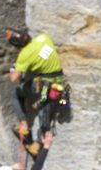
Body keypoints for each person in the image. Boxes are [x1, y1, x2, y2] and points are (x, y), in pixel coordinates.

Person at [6, 28, 69, 157]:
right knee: (46, 110)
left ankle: (24, 126)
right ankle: (38, 142)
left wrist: (13, 68)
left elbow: (14, 79)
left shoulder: (25, 55)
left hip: (43, 87)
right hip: (59, 84)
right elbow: (42, 58)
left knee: (16, 94)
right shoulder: (44, 38)